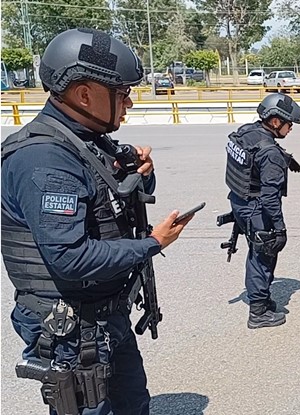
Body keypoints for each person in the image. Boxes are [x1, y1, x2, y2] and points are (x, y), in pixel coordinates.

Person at [1, 28, 193, 414]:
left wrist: (140, 173)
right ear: (84, 94)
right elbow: (69, 258)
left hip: (104, 315)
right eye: (121, 93)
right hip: (72, 329)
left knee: (133, 404)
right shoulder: (45, 159)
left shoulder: (87, 141)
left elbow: (113, 202)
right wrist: (153, 243)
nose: (129, 103)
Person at [225, 93, 300, 329]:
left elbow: (252, 159)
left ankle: (262, 299)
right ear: (276, 121)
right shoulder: (270, 154)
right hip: (257, 209)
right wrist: (279, 228)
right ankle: (258, 312)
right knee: (263, 257)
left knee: (256, 253)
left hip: (240, 201)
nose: (291, 129)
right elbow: (270, 198)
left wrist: (285, 158)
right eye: (289, 124)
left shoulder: (246, 132)